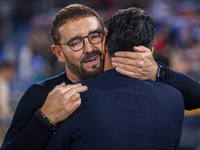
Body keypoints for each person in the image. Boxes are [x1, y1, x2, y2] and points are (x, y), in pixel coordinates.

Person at [1, 4, 200, 150]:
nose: (90, 49)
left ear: (105, 39)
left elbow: (196, 96)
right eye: (75, 43)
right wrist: (45, 120)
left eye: (94, 36)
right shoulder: (41, 94)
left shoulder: (133, 88)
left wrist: (159, 71)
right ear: (58, 53)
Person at [45, 7, 184, 150]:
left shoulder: (74, 99)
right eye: (75, 43)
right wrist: (159, 72)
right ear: (150, 52)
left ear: (105, 44)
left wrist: (44, 119)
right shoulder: (175, 98)